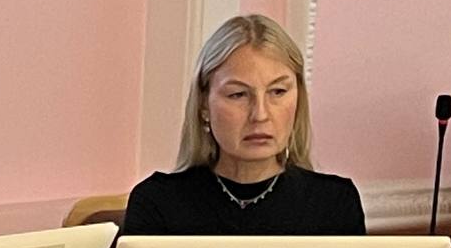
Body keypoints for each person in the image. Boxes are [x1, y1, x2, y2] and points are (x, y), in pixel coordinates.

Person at [123, 13, 366, 236]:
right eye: (238, 94)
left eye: (278, 92)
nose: (260, 115)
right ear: (204, 105)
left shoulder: (333, 203)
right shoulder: (157, 203)